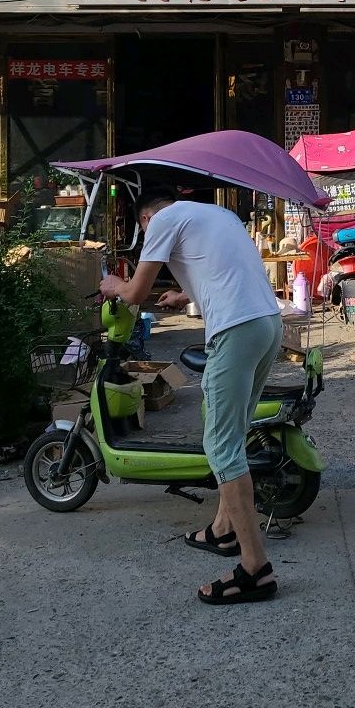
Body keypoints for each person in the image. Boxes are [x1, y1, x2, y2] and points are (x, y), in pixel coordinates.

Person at [99, 185, 282, 605]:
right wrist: (186, 293)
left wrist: (112, 283)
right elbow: (222, 267)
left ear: (147, 219)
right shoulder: (214, 213)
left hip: (236, 330)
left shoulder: (160, 221)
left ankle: (255, 568)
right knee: (232, 437)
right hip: (266, 323)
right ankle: (222, 530)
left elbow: (134, 294)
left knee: (221, 448)